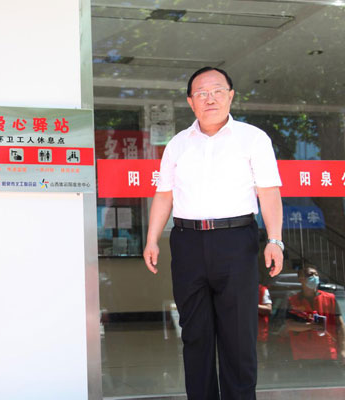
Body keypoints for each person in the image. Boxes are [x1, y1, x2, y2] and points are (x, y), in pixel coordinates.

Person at [143, 66, 284, 399]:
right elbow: (164, 195)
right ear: (190, 101)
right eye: (202, 93)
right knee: (195, 335)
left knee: (238, 337)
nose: (210, 99)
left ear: (230, 96)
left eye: (218, 91)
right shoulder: (177, 144)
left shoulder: (252, 138)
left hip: (236, 241)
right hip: (187, 242)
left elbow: (268, 192)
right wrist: (151, 239)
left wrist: (275, 239)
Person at [286, 265, 345, 363]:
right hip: (303, 355)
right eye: (310, 275)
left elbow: (340, 325)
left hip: (328, 354)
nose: (314, 277)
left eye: (316, 274)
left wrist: (343, 350)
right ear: (300, 279)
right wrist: (310, 326)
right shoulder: (293, 301)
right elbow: (290, 325)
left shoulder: (330, 298)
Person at [258, 284, 272, 360]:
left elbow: (268, 309)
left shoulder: (262, 289)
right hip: (240, 337)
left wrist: (251, 305)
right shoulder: (235, 288)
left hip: (259, 337)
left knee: (261, 361)